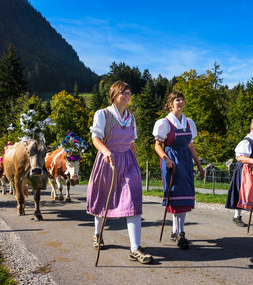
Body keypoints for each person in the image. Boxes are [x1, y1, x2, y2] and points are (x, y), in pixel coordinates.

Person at [87, 80, 153, 264]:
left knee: (133, 201)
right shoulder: (103, 114)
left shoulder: (131, 118)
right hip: (108, 160)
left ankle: (135, 248)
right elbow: (95, 138)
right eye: (123, 92)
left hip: (128, 160)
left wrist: (134, 160)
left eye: (129, 93)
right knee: (103, 200)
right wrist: (106, 151)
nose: (127, 96)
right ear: (114, 95)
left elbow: (132, 142)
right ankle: (97, 233)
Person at [153, 91, 205, 249]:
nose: (180, 102)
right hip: (172, 161)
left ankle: (177, 231)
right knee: (175, 196)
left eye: (182, 99)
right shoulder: (165, 123)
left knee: (185, 197)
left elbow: (190, 145)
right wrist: (166, 159)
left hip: (186, 161)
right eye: (177, 100)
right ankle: (179, 232)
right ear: (170, 104)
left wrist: (199, 165)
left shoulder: (189, 122)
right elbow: (157, 145)